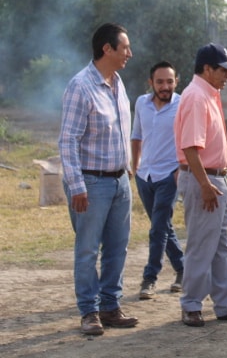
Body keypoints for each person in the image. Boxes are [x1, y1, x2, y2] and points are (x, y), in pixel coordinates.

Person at [174, 43, 227, 327]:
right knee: (202, 244)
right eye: (224, 70)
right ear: (208, 69)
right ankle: (191, 304)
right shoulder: (197, 97)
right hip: (205, 179)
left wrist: (224, 146)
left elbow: (202, 135)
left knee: (221, 245)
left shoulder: (207, 94)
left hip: (212, 177)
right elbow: (189, 147)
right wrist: (204, 184)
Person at [58, 22, 138, 336]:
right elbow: (67, 141)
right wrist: (76, 185)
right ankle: (89, 312)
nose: (129, 53)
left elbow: (122, 129)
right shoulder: (80, 86)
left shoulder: (118, 83)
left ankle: (110, 306)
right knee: (88, 250)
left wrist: (128, 167)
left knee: (118, 248)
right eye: (125, 48)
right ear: (107, 49)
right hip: (91, 183)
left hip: (119, 181)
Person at [131, 61, 184, 300]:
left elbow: (189, 138)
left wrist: (181, 168)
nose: (165, 86)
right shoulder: (142, 103)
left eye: (169, 81)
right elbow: (136, 136)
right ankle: (184, 269)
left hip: (169, 175)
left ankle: (149, 278)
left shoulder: (182, 105)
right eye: (160, 82)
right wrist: (134, 167)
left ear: (176, 82)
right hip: (145, 175)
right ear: (151, 82)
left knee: (158, 229)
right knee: (163, 227)